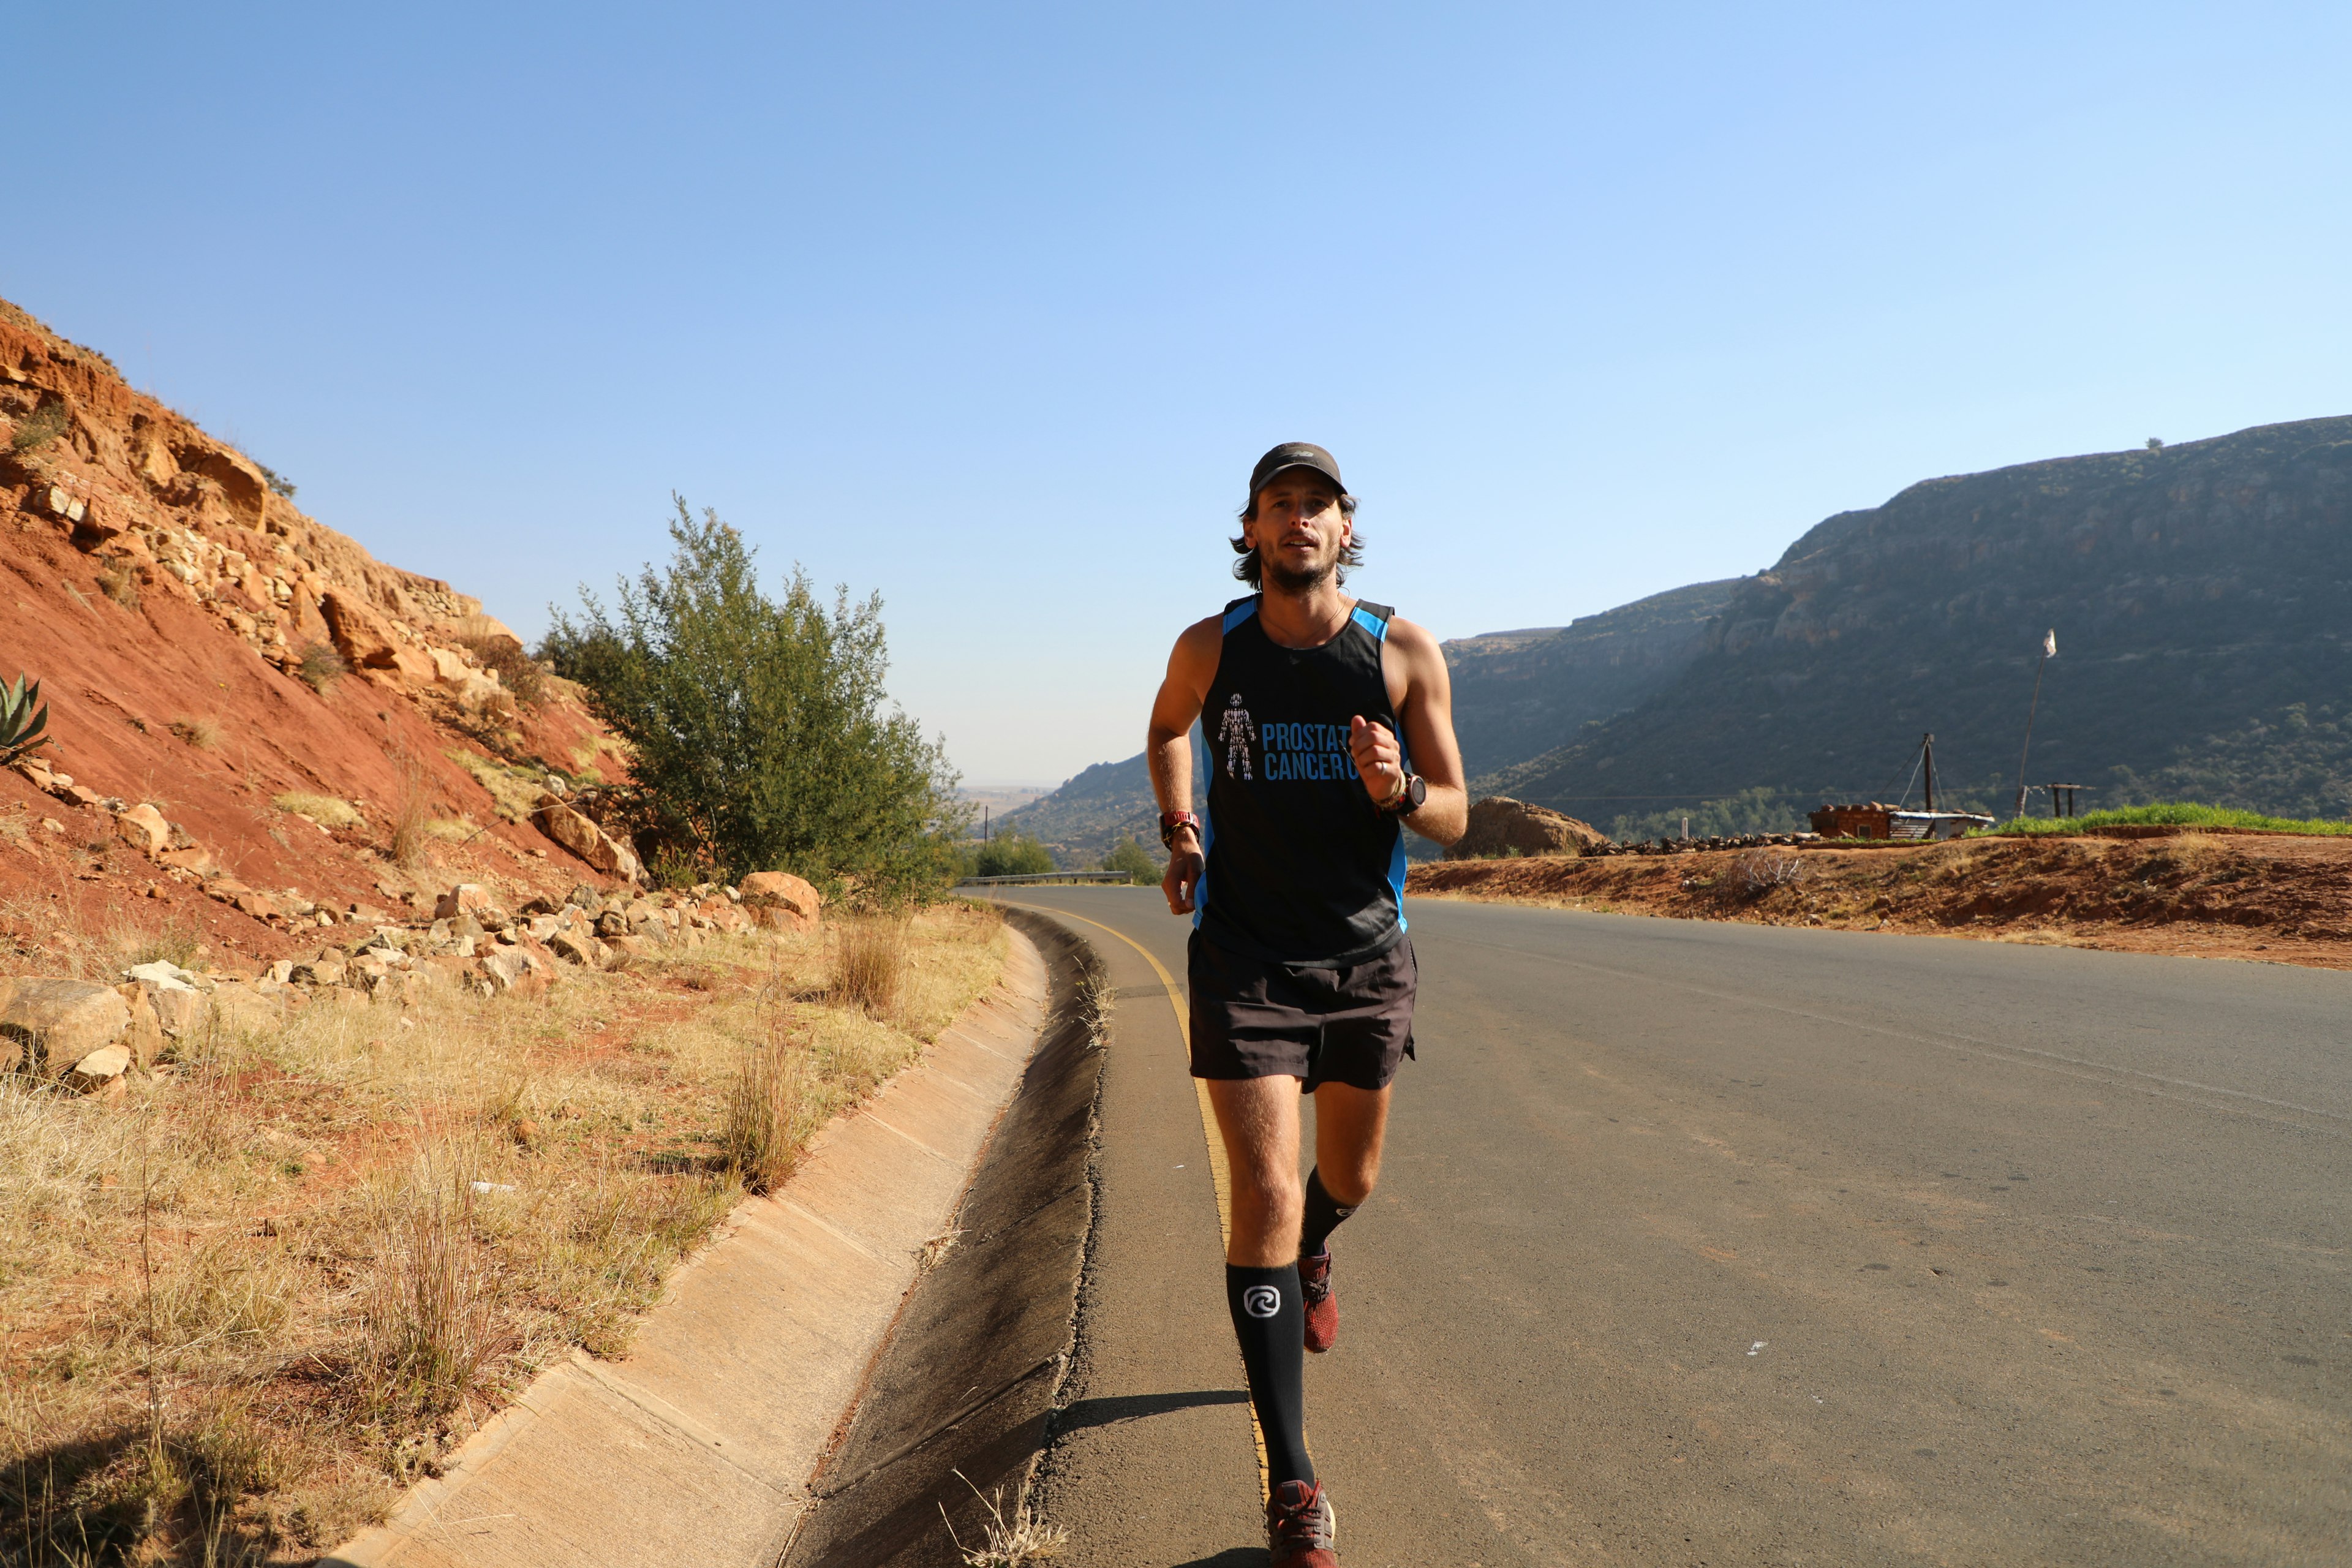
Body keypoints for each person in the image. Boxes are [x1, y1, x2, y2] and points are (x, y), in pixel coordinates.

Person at [1146, 442, 1467, 1566]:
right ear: (1250, 532)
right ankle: (1293, 1481)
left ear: (1345, 527)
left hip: (1367, 955)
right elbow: (1165, 730)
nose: (1298, 522)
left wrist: (1402, 790)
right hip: (1242, 955)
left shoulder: (1398, 649)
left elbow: (1457, 814)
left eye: (1317, 506)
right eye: (1278, 506)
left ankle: (1313, 1250)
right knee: (1267, 1191)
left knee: (1348, 1182)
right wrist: (1183, 833)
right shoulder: (1211, 648)